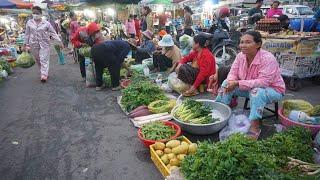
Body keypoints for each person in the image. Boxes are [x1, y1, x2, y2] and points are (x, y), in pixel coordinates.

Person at [215, 31, 286, 139]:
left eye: (248, 42)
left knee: (256, 92)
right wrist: (230, 82)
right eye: (241, 42)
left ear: (258, 44)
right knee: (225, 83)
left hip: (272, 89)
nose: (243, 45)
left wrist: (238, 83)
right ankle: (220, 114)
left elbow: (263, 82)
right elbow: (232, 73)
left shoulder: (268, 58)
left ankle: (255, 127)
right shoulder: (240, 56)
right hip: (248, 87)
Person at [24, 6, 63, 82]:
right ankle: (43, 71)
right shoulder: (29, 22)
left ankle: (44, 75)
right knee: (38, 59)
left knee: (43, 59)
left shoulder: (46, 23)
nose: (35, 14)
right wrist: (25, 44)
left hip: (45, 44)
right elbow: (27, 34)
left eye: (37, 13)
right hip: (34, 44)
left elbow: (53, 33)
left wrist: (59, 41)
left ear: (41, 14)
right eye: (34, 13)